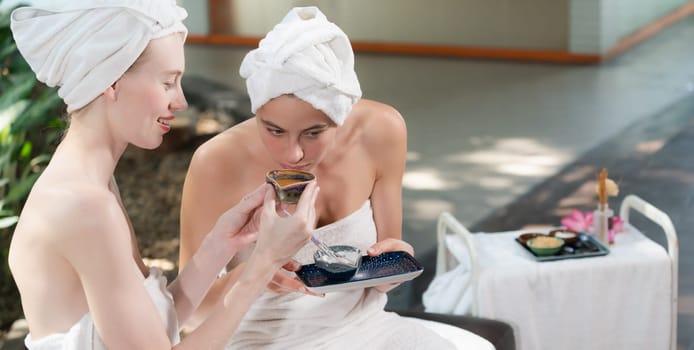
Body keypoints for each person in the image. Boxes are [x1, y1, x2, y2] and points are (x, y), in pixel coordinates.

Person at [8, 1, 319, 349]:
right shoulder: (86, 206)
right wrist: (264, 262)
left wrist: (222, 242)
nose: (181, 101)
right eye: (168, 82)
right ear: (111, 81)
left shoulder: (92, 183)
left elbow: (151, 328)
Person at [179, 6, 494, 349]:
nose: (292, 154)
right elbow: (190, 315)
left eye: (314, 133)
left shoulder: (381, 131)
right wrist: (255, 272)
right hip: (259, 341)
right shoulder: (217, 161)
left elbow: (380, 281)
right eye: (273, 130)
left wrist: (394, 262)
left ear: (341, 115)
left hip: (365, 328)